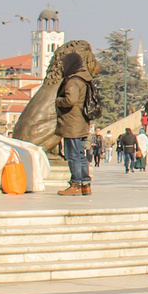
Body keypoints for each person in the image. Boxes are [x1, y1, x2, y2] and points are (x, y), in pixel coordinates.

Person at [54, 53, 94, 196]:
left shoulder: (73, 81)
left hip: (72, 123)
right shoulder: (84, 79)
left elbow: (70, 100)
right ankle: (85, 184)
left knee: (73, 155)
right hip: (81, 122)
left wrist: (58, 101)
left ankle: (76, 183)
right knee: (80, 154)